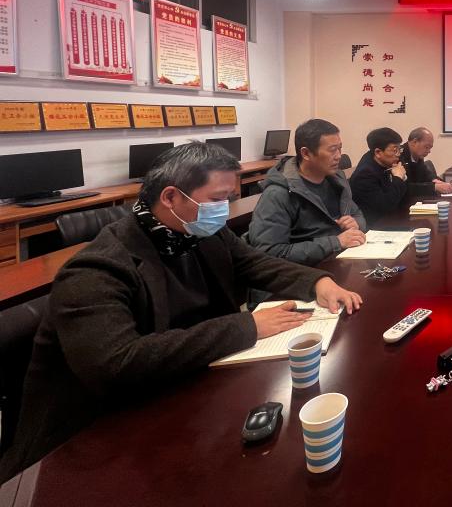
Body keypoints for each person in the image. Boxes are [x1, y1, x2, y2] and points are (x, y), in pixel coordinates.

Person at [0, 142, 363, 481]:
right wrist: (247, 327)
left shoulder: (200, 232)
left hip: (187, 390)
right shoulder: (96, 270)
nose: (224, 210)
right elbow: (118, 364)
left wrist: (317, 282)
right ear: (171, 197)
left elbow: (255, 264)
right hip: (89, 443)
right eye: (217, 199)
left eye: (229, 199)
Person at [248, 118, 367, 266]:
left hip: (339, 261)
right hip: (304, 272)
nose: (338, 156)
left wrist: (355, 223)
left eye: (340, 148)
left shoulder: (336, 180)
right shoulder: (279, 193)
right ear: (306, 153)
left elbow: (357, 214)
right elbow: (269, 252)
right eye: (332, 150)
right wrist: (335, 242)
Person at [350, 127, 408, 225]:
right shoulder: (365, 174)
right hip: (374, 225)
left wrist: (402, 177)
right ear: (378, 152)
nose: (398, 154)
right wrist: (398, 178)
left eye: (399, 149)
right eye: (395, 150)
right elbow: (385, 206)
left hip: (388, 218)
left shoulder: (383, 161)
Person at [399, 126, 452, 198]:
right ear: (415, 142)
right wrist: (434, 187)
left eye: (430, 148)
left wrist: (435, 180)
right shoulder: (398, 156)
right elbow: (404, 188)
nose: (429, 151)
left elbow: (425, 173)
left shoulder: (417, 155)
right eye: (427, 147)